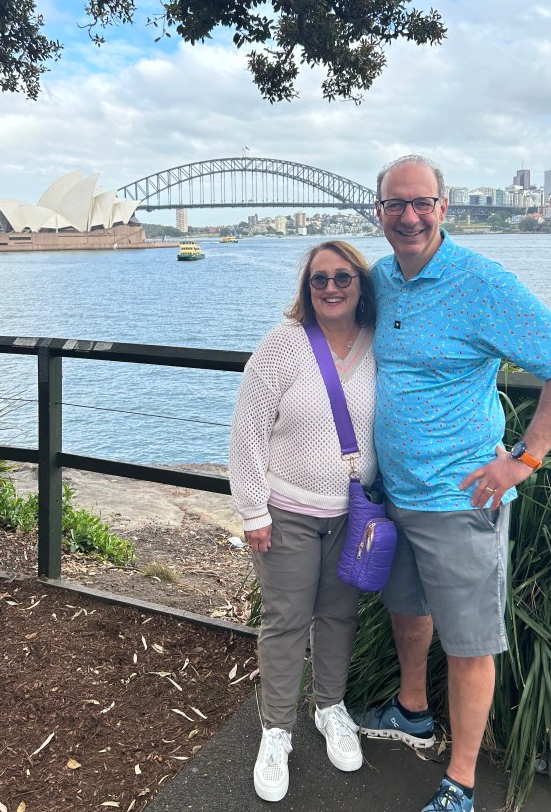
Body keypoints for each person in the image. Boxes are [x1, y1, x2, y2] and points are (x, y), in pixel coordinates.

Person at [356, 155, 551, 812]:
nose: (408, 216)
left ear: (443, 206)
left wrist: (524, 459)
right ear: (379, 211)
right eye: (395, 204)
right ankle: (411, 711)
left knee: (469, 643)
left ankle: (460, 781)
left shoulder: (482, 283)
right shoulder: (382, 279)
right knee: (407, 608)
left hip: (461, 500)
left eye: (421, 203)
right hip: (397, 493)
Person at [229, 240, 378, 802]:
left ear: (361, 284)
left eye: (343, 277)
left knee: (339, 615)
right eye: (320, 279)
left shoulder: (379, 344)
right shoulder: (282, 346)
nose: (332, 287)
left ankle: (330, 708)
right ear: (307, 288)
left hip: (353, 514)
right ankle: (276, 730)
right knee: (286, 621)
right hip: (287, 510)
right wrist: (253, 509)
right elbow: (247, 431)